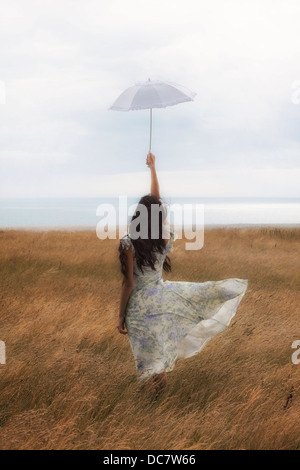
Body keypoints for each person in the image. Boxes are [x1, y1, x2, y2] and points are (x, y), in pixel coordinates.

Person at [117, 152, 248, 394]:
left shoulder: (129, 242)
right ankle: (159, 402)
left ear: (137, 214)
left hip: (138, 308)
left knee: (147, 362)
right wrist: (153, 168)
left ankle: (151, 407)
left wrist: (120, 316)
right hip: (160, 300)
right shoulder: (162, 237)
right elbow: (156, 202)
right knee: (158, 358)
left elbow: (128, 283)